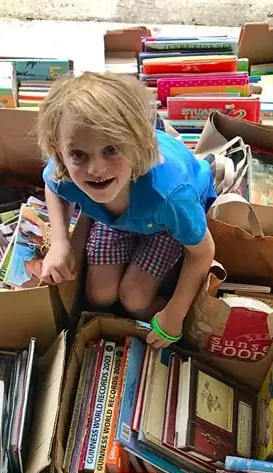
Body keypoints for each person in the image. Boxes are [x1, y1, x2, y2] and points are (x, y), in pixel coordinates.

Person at [36, 72, 216, 347]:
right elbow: (53, 185)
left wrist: (175, 314)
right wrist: (60, 242)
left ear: (137, 143)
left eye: (110, 149)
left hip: (163, 222)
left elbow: (203, 252)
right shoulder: (67, 171)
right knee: (100, 295)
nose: (95, 169)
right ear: (60, 154)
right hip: (115, 218)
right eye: (79, 155)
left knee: (135, 299)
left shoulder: (170, 195)